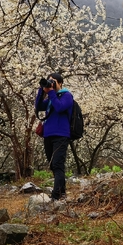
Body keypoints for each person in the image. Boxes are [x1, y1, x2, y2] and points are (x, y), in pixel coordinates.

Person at [35, 72, 73, 201]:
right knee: (53, 165)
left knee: (57, 164)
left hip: (61, 135)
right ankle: (62, 192)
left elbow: (60, 107)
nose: (50, 83)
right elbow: (38, 106)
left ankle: (56, 197)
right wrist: (42, 90)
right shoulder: (51, 98)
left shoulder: (67, 96)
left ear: (60, 83)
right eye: (49, 81)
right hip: (48, 134)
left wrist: (51, 92)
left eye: (53, 81)